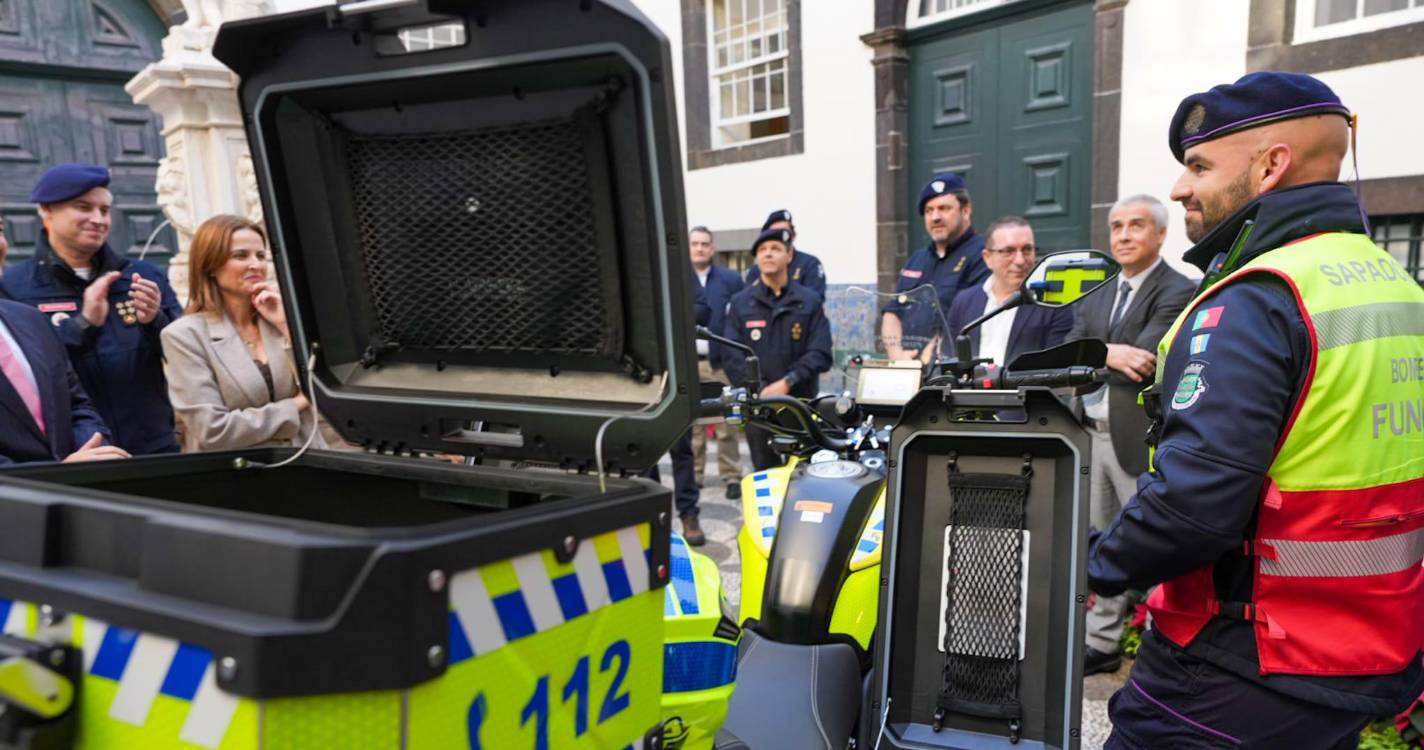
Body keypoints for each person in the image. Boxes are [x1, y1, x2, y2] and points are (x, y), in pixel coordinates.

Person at [1090, 72, 1424, 749]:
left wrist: (1089, 563)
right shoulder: (1395, 283)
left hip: (1242, 655)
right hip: (1362, 649)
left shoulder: (1257, 298)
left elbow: (1193, 505)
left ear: (1271, 166)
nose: (1180, 188)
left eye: (1199, 167)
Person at [1067, 194, 1194, 676]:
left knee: (1151, 539)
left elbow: (1144, 359)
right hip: (1089, 432)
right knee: (1100, 541)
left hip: (1137, 438)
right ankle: (1100, 642)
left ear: (1160, 233)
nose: (1123, 235)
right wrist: (1108, 354)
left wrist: (1097, 353)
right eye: (1116, 226)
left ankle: (1162, 644)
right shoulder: (1098, 290)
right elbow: (1070, 352)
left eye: (1136, 225)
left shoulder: (1178, 289)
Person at [0, 164, 182, 455]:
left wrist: (154, 320)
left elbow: (185, 355)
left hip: (153, 446)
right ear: (46, 210)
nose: (98, 219)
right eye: (83, 207)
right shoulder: (14, 287)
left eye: (105, 210)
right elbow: (26, 373)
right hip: (78, 453)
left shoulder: (144, 276)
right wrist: (84, 324)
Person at [161, 215, 336, 452]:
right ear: (210, 265)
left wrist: (285, 325)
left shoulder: (283, 317)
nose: (256, 265)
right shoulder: (183, 336)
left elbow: (327, 386)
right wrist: (296, 404)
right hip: (242, 467)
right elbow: (213, 430)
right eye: (241, 255)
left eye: (261, 255)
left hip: (309, 456)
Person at [722, 228, 832, 471]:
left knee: (803, 474)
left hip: (800, 406)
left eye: (775, 249)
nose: (768, 254)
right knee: (765, 475)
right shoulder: (741, 303)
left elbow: (821, 352)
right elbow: (731, 355)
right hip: (758, 409)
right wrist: (760, 390)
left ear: (789, 256)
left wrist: (788, 382)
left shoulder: (809, 301)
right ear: (756, 259)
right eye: (762, 250)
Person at [0, 298, 128, 464]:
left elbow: (76, 405)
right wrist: (59, 471)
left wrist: (93, 449)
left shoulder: (31, 318)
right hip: (20, 480)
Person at [882, 173, 990, 360]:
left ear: (966, 211)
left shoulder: (983, 256)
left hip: (951, 366)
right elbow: (893, 312)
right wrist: (896, 354)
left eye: (944, 208)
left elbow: (973, 318)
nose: (935, 217)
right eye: (929, 210)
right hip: (908, 367)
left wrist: (933, 357)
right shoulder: (917, 259)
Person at [944, 217, 1071, 368]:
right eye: (1008, 251)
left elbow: (1055, 369)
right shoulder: (963, 302)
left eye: (1027, 249)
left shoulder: (1053, 304)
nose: (1020, 261)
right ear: (987, 258)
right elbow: (949, 361)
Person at [688, 225, 745, 499]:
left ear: (712, 248)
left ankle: (731, 475)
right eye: (695, 243)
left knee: (726, 423)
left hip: (720, 362)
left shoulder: (729, 280)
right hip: (688, 363)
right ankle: (694, 475)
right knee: (692, 425)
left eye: (704, 244)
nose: (700, 248)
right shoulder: (678, 278)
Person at [742, 209, 827, 297]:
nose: (780, 236)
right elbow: (747, 299)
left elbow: (814, 299)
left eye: (785, 232)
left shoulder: (809, 264)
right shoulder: (756, 271)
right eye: (774, 233)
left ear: (793, 236)